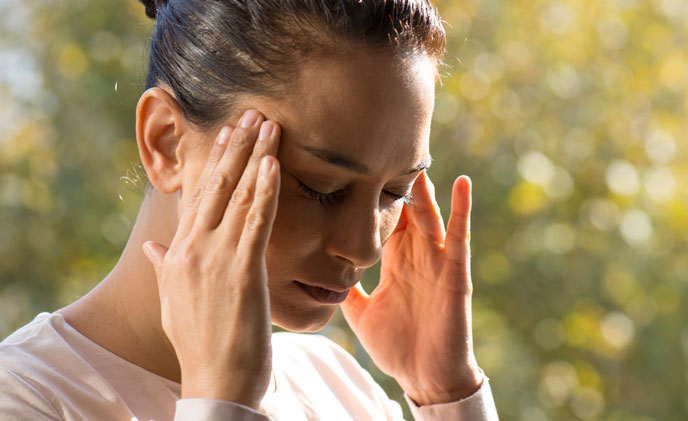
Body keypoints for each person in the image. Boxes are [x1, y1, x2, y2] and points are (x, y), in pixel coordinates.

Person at [0, 0, 499, 419]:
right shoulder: (26, 399)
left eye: (396, 193)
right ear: (167, 142)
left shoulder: (336, 386)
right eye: (321, 188)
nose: (366, 248)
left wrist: (449, 394)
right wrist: (220, 400)